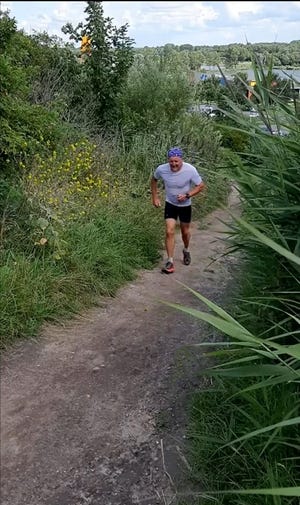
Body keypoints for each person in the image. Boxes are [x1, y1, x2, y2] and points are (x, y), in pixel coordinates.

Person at [151, 147, 205, 274]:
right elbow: (154, 180)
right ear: (168, 160)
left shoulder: (190, 170)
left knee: (185, 232)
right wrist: (155, 197)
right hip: (170, 204)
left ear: (181, 160)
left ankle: (186, 250)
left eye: (176, 161)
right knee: (169, 231)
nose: (174, 164)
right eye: (171, 161)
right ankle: (170, 261)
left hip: (185, 205)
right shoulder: (161, 169)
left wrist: (187, 195)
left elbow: (200, 186)